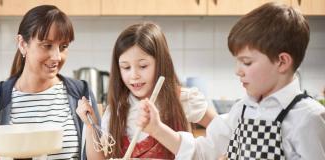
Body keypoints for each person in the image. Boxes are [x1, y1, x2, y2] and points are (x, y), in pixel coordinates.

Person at [137, 2, 325, 159]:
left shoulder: (309, 118)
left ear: (282, 62)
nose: (238, 71)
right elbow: (201, 152)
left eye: (247, 62)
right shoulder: (242, 111)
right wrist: (157, 128)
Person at [0, 5, 100, 160]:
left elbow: (100, 153)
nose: (57, 57)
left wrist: (93, 127)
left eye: (63, 46)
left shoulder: (81, 95)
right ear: (23, 44)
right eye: (47, 45)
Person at [76, 22, 217, 159]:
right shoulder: (117, 110)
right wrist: (90, 126)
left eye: (143, 66)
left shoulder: (182, 99)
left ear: (161, 63)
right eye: (126, 67)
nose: (134, 75)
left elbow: (224, 134)